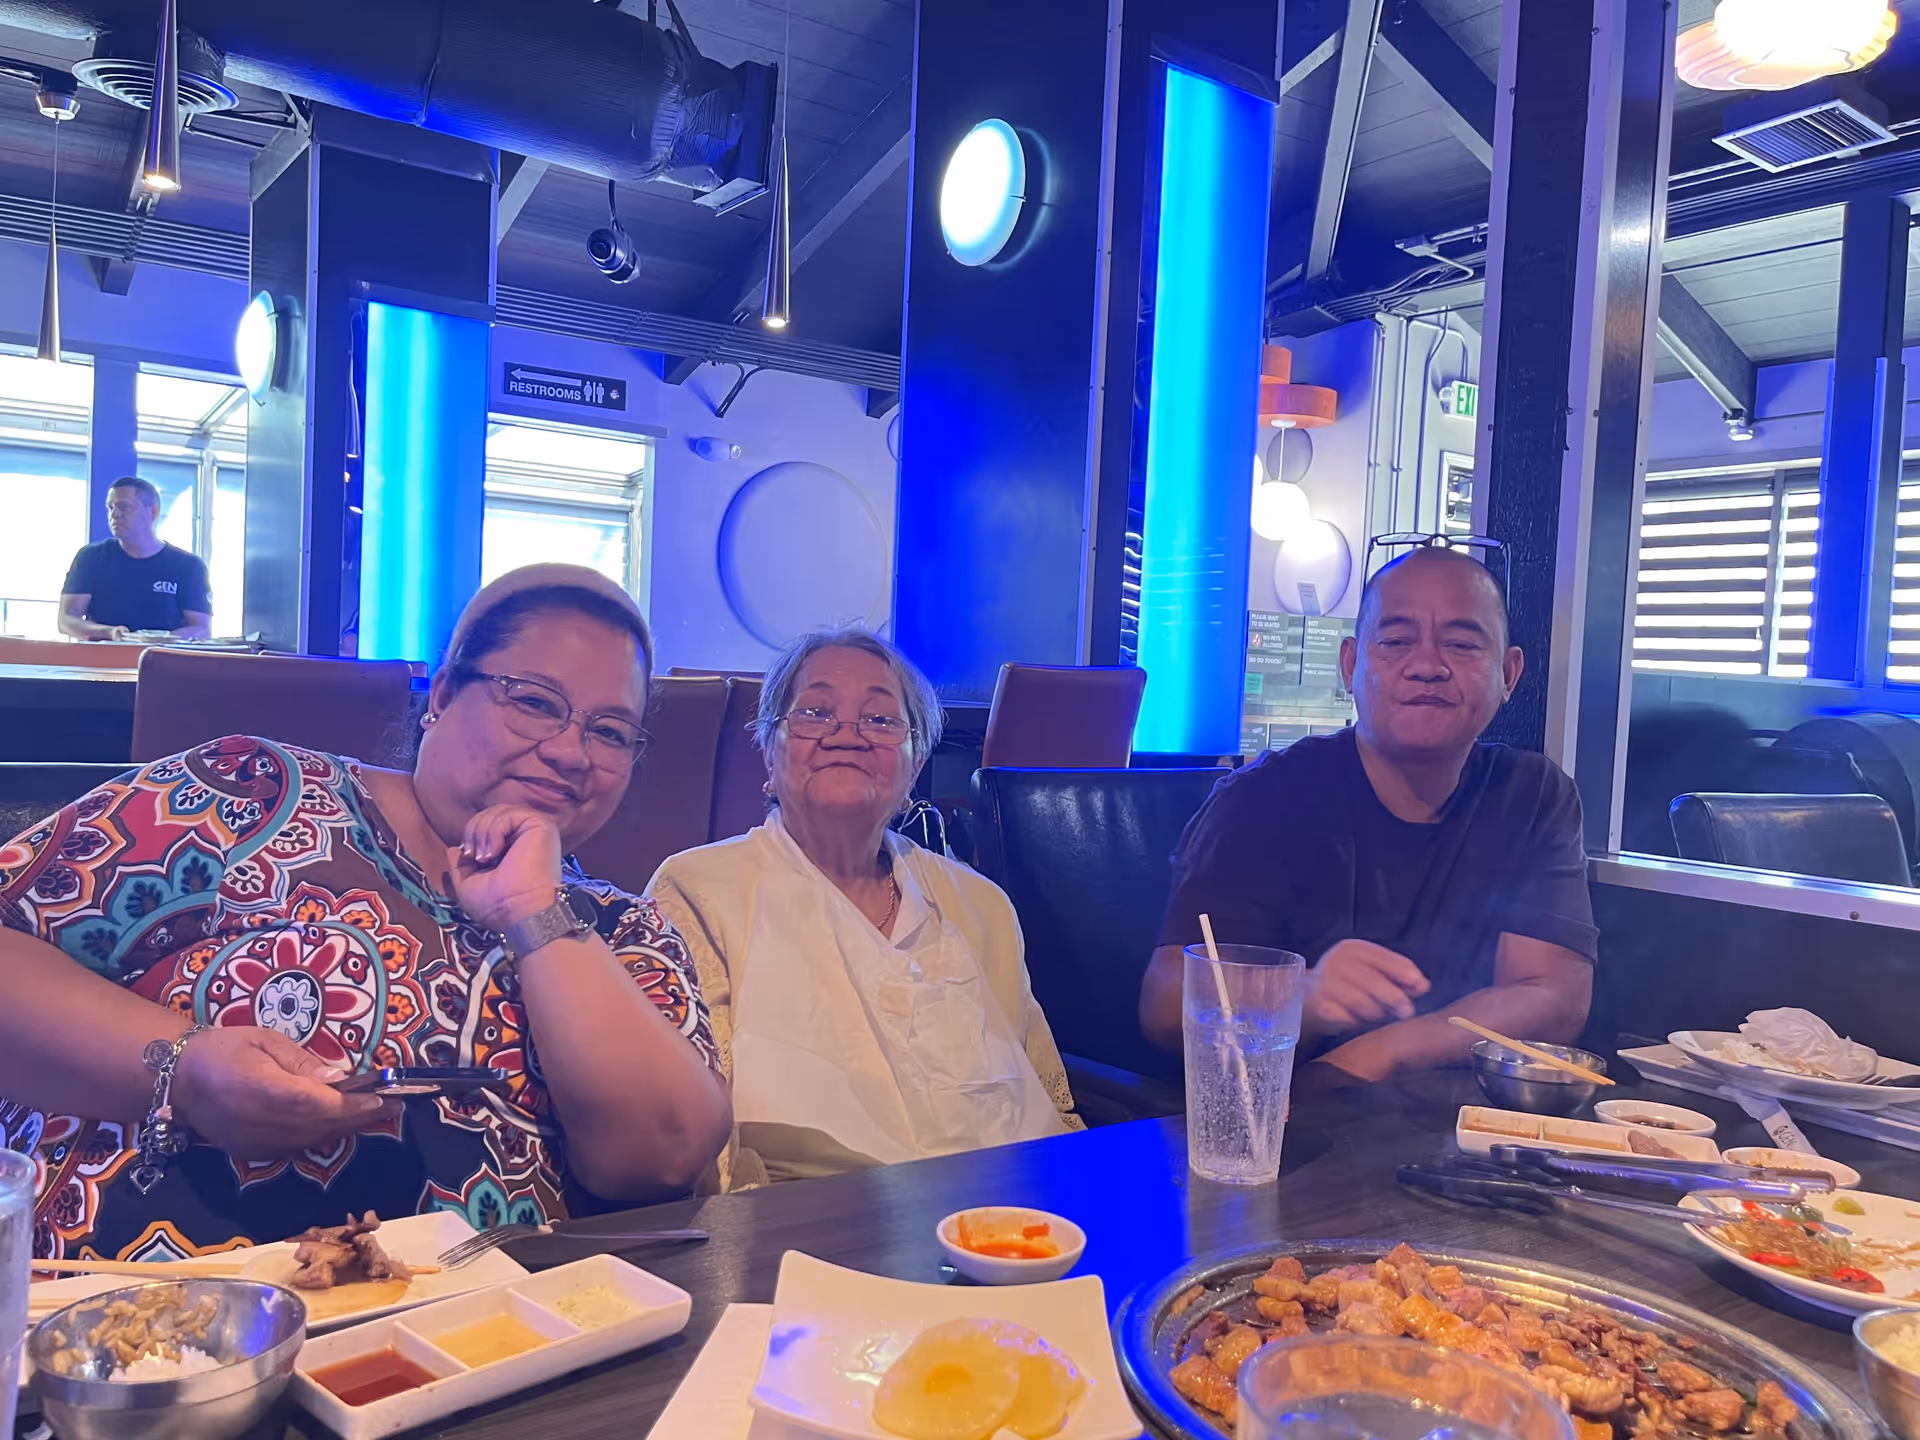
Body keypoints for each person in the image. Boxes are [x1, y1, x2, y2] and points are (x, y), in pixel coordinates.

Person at [0, 563, 730, 1259]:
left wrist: (536, 913)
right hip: (137, 1309)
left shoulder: (622, 930)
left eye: (610, 732)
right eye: (535, 702)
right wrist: (183, 1071)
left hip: (496, 1333)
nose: (572, 752)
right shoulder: (253, 793)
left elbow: (659, 1161)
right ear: (442, 694)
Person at [1138, 544, 1597, 1082]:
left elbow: (1552, 995)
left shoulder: (1532, 794)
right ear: (1350, 665)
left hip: (1460, 1114)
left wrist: (1381, 1052)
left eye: (1461, 644)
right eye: (1396, 642)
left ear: (1509, 674)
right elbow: (1164, 1005)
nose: (1427, 667)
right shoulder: (1265, 798)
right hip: (1284, 1116)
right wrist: (1302, 995)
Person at [646, 625, 1078, 1190]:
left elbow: (1050, 1107)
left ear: (915, 765)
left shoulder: (980, 905)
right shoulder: (697, 892)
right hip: (808, 1230)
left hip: (1013, 1216)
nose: (846, 737)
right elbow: (702, 1152)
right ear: (769, 751)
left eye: (879, 719)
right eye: (815, 713)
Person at [59, 476, 213, 641]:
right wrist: (110, 633)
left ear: (153, 512)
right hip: (103, 654)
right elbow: (66, 620)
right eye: (110, 508)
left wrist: (156, 639)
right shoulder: (91, 558)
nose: (115, 514)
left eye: (124, 507)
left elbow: (201, 628)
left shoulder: (189, 566)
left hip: (162, 654)